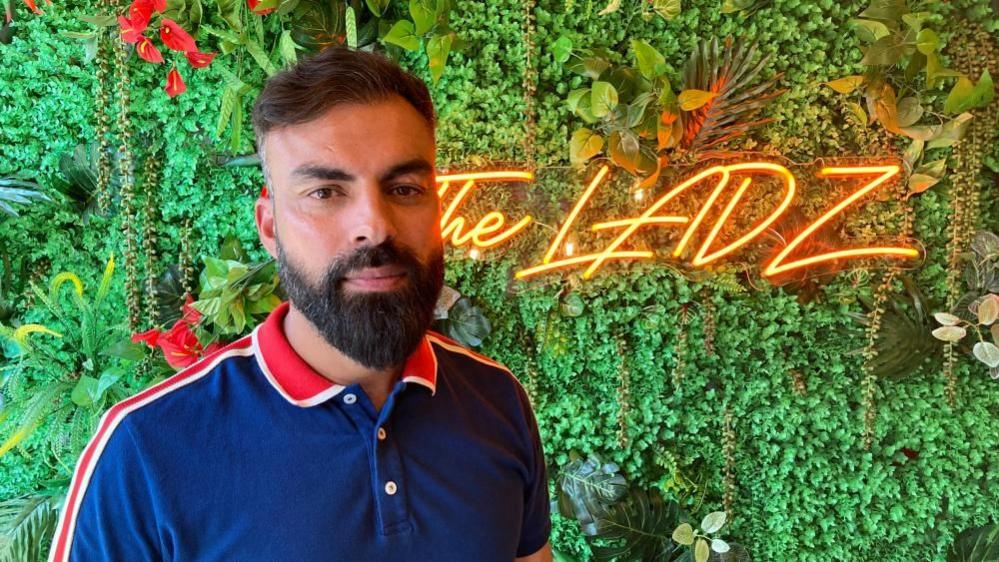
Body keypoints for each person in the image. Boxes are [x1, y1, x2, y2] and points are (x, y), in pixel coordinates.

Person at [47, 46, 552, 562]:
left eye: (404, 188)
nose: (374, 226)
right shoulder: (146, 451)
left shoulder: (498, 401)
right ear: (269, 227)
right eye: (326, 192)